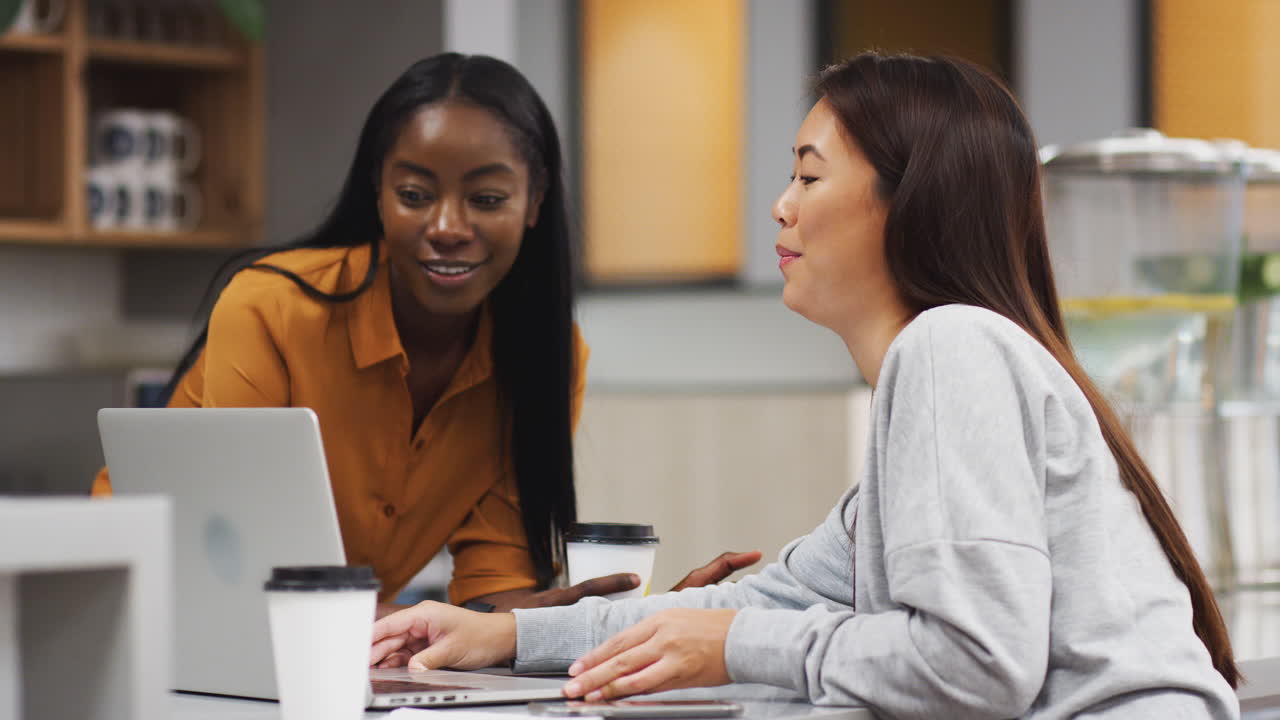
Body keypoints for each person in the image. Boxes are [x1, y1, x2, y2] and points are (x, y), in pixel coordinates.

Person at [367, 52, 1242, 718]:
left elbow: (978, 664)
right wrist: (506, 634)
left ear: (910, 202)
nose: (782, 206)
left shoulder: (954, 348)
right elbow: (763, 599)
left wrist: (744, 647)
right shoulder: (936, 382)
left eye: (810, 175)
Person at [92, 53, 759, 615]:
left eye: (488, 199)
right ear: (378, 192)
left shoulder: (546, 356)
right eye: (415, 195)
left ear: (537, 201)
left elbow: (493, 589)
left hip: (325, 645)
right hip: (132, 605)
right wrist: (437, 625)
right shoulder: (274, 305)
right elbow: (244, 560)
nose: (446, 225)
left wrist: (625, 622)